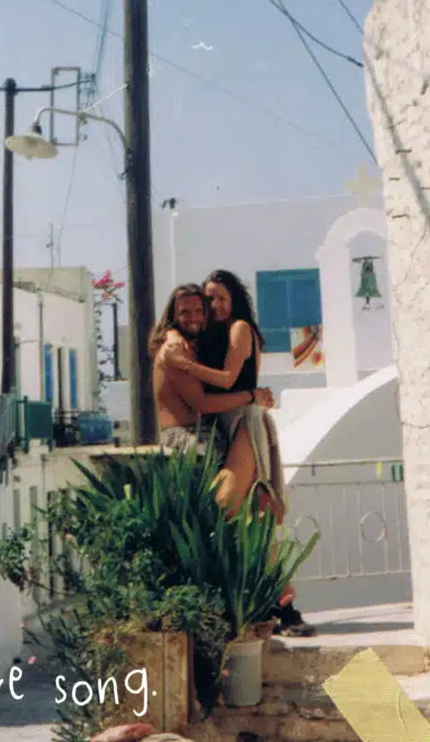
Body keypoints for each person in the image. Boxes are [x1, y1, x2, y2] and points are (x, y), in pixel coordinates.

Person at [160, 269, 314, 637]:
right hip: (229, 423)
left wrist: (185, 364)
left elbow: (228, 379)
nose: (213, 305)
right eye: (209, 299)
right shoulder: (213, 335)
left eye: (220, 298)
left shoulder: (240, 328)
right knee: (253, 515)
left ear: (235, 299)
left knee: (226, 506)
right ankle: (282, 607)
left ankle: (278, 606)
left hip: (244, 422)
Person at [151, 283, 272, 466]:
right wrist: (251, 396)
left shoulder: (189, 345)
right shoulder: (176, 348)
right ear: (173, 317)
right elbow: (202, 403)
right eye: (185, 312)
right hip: (185, 438)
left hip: (198, 433)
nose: (194, 318)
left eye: (199, 311)